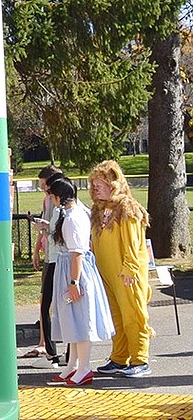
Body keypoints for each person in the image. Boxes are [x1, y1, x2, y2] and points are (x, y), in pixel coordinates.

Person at [47, 177, 114, 386]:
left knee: (80, 320)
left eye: (52, 195)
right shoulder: (71, 214)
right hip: (70, 268)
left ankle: (84, 367)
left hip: (75, 271)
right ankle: (73, 364)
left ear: (59, 196)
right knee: (72, 320)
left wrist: (74, 282)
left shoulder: (74, 217)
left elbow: (77, 252)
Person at [89, 159, 153, 378]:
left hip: (127, 274)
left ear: (113, 183)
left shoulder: (128, 207)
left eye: (100, 183)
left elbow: (134, 243)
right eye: (94, 184)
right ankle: (119, 357)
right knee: (115, 317)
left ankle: (140, 359)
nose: (95, 188)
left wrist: (130, 268)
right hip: (106, 274)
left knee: (133, 316)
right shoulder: (98, 210)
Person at [23, 165, 64, 362]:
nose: (42, 189)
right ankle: (46, 345)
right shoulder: (47, 200)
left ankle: (54, 349)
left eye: (43, 185)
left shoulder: (60, 202)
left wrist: (45, 230)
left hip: (59, 257)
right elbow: (46, 227)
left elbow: (55, 229)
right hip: (49, 254)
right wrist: (38, 247)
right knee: (44, 301)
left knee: (53, 302)